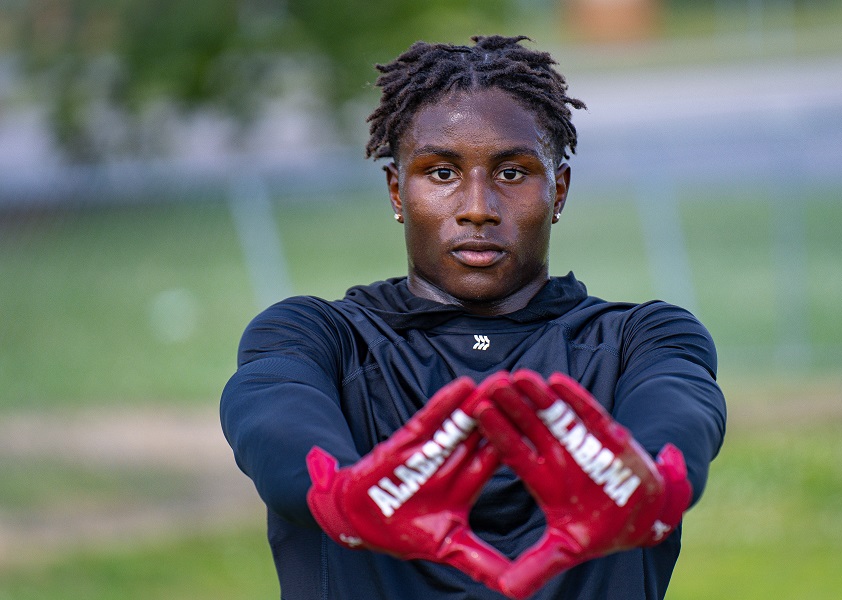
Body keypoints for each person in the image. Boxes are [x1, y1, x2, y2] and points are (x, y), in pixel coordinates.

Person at [221, 35, 726, 600]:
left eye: (512, 173)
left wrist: (646, 485)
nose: (478, 207)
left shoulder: (640, 338)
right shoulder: (319, 336)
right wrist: (344, 497)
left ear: (558, 191)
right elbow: (271, 408)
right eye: (441, 173)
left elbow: (679, 408)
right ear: (396, 190)